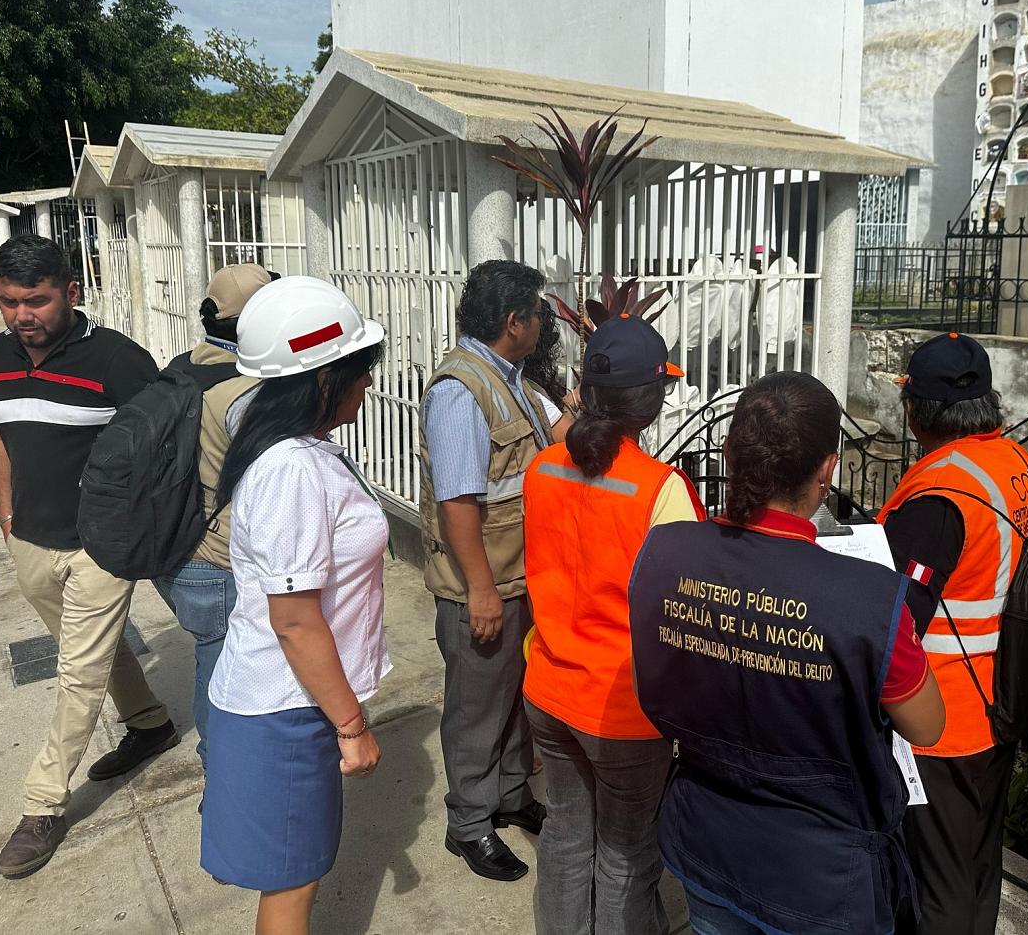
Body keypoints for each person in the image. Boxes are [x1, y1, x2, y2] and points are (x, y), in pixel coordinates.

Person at [629, 371, 945, 935]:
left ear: (731, 455)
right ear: (828, 470)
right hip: (822, 876)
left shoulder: (666, 550)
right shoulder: (867, 600)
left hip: (708, 840)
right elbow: (926, 725)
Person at [0, 235, 177, 878]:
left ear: (72, 292)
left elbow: (165, 445)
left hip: (102, 546)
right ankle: (149, 724)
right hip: (30, 539)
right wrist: (8, 516)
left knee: (77, 675)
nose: (20, 316)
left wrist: (138, 528)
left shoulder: (118, 361)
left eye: (35, 301)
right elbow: (0, 433)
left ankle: (42, 807)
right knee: (87, 652)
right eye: (8, 302)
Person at [200, 275, 389, 935]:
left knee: (293, 874)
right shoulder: (291, 471)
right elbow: (295, 618)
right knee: (290, 888)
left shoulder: (288, 444)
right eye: (358, 371)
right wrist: (351, 726)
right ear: (319, 379)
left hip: (289, 702)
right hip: (287, 710)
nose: (367, 383)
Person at [522, 314, 704, 934]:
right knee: (627, 853)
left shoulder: (541, 468)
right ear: (651, 402)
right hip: (622, 710)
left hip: (548, 691)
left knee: (566, 834)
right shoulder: (662, 490)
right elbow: (684, 615)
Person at [877, 332, 1028, 935]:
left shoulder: (942, 492)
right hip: (1004, 701)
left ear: (914, 410)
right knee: (979, 861)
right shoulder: (1021, 467)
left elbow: (895, 613)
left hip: (942, 718)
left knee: (939, 882)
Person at [419, 259, 571, 881]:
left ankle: (510, 796)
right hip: (483, 588)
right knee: (477, 710)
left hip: (519, 577)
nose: (543, 325)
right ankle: (470, 824)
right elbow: (458, 503)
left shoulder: (509, 378)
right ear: (515, 322)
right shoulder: (462, 389)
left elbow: (555, 445)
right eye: (539, 314)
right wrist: (480, 589)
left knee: (514, 701)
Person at [152, 263, 274, 774]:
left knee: (211, 653)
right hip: (216, 557)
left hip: (170, 543)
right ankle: (221, 771)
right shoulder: (245, 392)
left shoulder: (181, 367)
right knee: (222, 666)